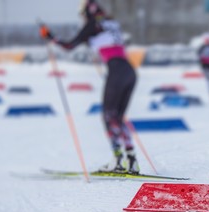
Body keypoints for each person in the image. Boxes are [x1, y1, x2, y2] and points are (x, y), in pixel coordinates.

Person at [39, 0, 139, 174]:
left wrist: (50, 36)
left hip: (116, 73)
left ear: (87, 13)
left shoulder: (92, 24)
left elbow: (69, 46)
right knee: (118, 118)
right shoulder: (111, 23)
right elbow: (102, 38)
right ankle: (131, 161)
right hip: (129, 72)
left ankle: (118, 161)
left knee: (109, 117)